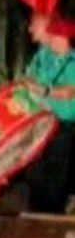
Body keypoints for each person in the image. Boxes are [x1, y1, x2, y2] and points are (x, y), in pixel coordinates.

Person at [19, 15, 75, 214]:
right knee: (34, 175)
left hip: (61, 127)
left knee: (53, 179)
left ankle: (51, 222)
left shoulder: (73, 61)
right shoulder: (46, 56)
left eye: (54, 35)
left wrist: (44, 91)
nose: (50, 38)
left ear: (63, 37)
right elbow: (29, 78)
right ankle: (35, 216)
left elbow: (69, 90)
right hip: (39, 122)